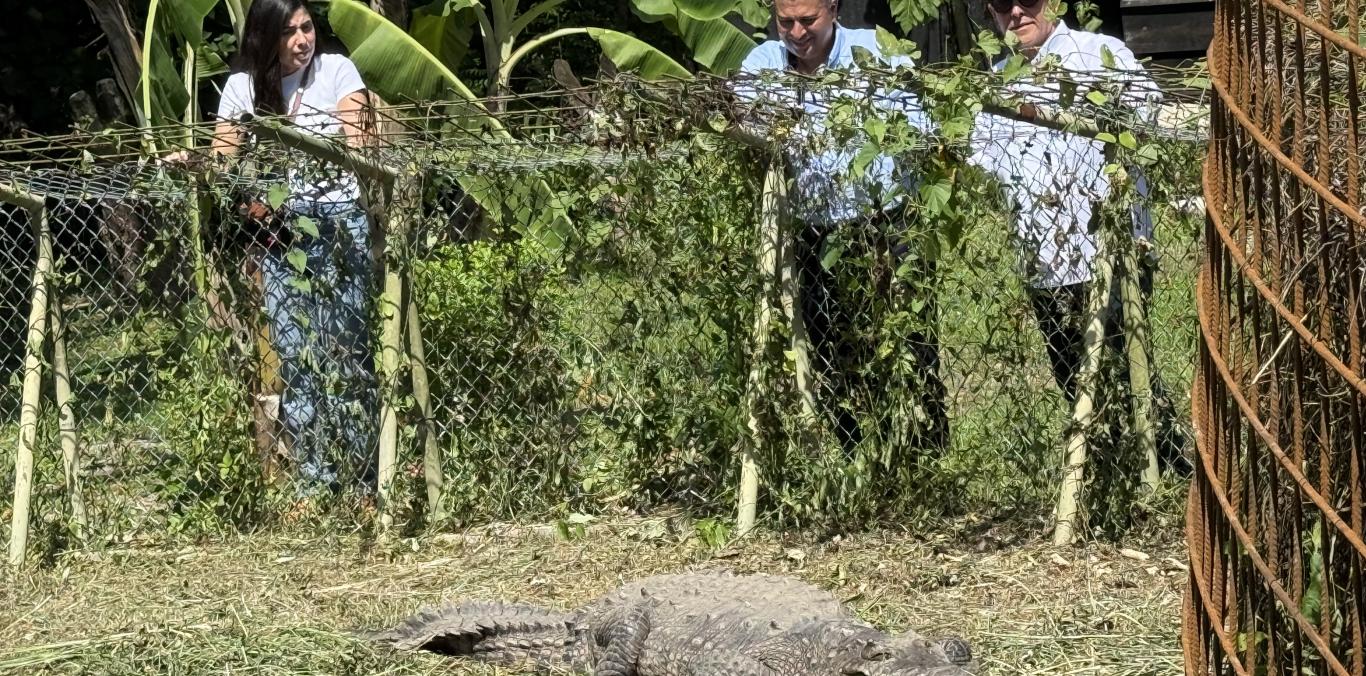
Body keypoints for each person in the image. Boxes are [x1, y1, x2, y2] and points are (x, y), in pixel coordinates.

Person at [967, 0, 1191, 475]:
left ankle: (1166, 468)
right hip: (1043, 259)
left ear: (1051, 2)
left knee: (1128, 368)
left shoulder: (1100, 54)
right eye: (1001, 5)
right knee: (1071, 373)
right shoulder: (997, 82)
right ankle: (1112, 472)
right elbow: (982, 165)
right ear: (989, 14)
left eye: (1027, 0)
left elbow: (1148, 120)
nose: (1016, 12)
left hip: (1110, 248)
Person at [180, 0, 381, 496]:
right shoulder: (241, 88)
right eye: (288, 31)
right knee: (295, 352)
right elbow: (221, 164)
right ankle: (316, 482)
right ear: (265, 37)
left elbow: (363, 150)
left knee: (346, 349)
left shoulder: (336, 70)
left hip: (338, 223)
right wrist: (195, 164)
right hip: (280, 234)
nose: (301, 39)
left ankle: (363, 477)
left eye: (307, 27)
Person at [735, 0, 949, 454]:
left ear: (832, 9)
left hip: (885, 224)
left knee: (909, 342)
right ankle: (854, 455)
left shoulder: (878, 53)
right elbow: (743, 124)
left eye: (807, 20)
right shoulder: (762, 64)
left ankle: (924, 457)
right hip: (814, 233)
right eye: (785, 21)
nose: (796, 33)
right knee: (830, 347)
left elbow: (923, 125)